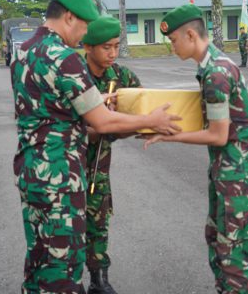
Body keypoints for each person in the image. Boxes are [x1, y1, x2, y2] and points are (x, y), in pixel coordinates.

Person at [10, 0, 180, 294]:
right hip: (60, 179)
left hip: (31, 172)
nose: (84, 35)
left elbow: (48, 108)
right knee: (63, 269)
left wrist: (94, 98)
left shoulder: (24, 51)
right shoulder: (65, 57)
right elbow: (102, 120)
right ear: (70, 17)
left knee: (38, 258)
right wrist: (149, 120)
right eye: (85, 26)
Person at [146, 4, 248, 293]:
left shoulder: (216, 73)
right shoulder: (214, 65)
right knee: (217, 242)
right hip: (229, 171)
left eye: (173, 41)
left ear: (190, 35)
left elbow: (217, 135)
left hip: (237, 175)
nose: (171, 47)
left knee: (232, 259)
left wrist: (168, 136)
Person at [81, 16, 142, 294]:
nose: (112, 54)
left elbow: (142, 108)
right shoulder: (74, 76)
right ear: (88, 46)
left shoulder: (122, 77)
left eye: (116, 46)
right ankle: (66, 280)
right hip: (66, 163)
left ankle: (98, 280)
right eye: (106, 47)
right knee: (65, 226)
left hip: (98, 166)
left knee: (98, 221)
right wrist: (105, 124)